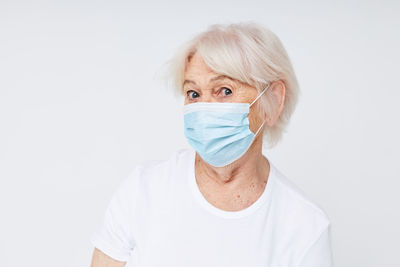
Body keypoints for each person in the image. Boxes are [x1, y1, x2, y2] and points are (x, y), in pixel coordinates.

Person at [90, 22, 333, 267]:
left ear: (273, 99)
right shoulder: (144, 190)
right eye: (193, 94)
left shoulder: (304, 226)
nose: (204, 109)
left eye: (224, 90)